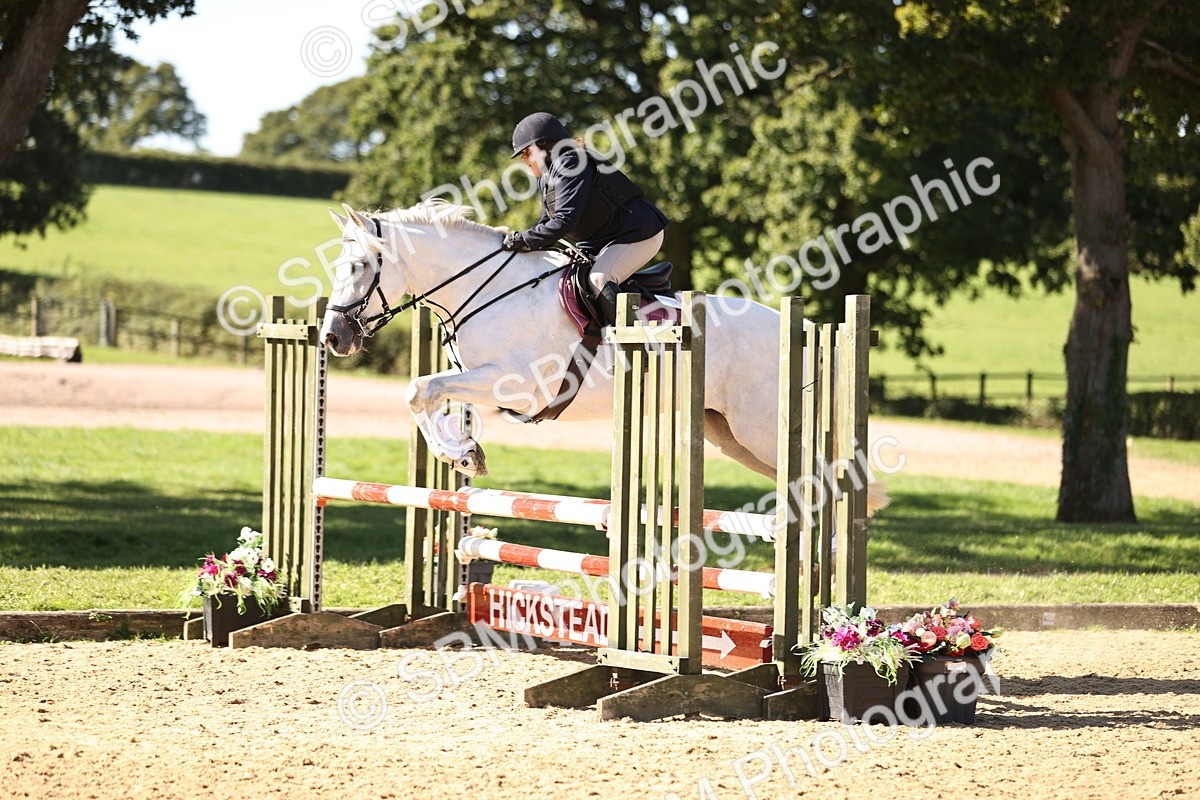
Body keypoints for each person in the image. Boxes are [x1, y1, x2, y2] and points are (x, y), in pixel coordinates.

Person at [501, 112, 669, 322]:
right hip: (605, 240)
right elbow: (547, 223)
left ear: (543, 146)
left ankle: (639, 344)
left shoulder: (570, 163)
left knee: (599, 279)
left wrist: (521, 239)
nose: (524, 159)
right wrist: (521, 244)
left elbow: (564, 221)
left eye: (526, 152)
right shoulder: (546, 176)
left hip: (638, 233)